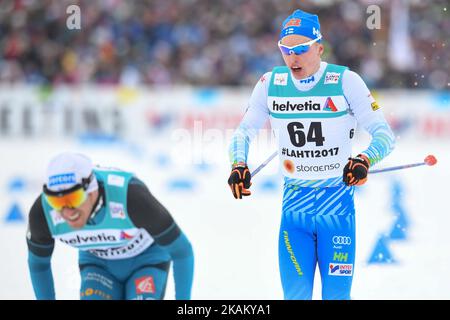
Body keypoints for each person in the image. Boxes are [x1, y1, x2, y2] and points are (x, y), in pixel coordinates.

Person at [228, 9, 395, 300]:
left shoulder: (346, 81)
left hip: (337, 210)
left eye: (302, 49)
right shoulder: (270, 84)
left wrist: (365, 160)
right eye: (286, 49)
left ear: (319, 47)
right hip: (295, 213)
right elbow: (242, 133)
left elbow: (385, 136)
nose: (293, 57)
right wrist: (238, 165)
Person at [26, 152, 194, 300]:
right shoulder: (43, 213)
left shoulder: (132, 198)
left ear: (92, 191)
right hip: (99, 266)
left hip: (146, 260)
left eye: (74, 199)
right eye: (57, 201)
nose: (67, 211)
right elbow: (38, 265)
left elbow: (182, 251)